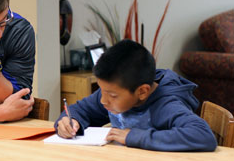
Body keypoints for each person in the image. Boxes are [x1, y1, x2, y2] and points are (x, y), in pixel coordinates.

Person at [55, 39, 217, 151]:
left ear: (142, 92)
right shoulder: (112, 93)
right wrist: (70, 121)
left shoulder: (167, 105)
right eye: (101, 90)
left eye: (112, 95)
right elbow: (80, 109)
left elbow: (203, 135)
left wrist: (134, 137)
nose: (103, 100)